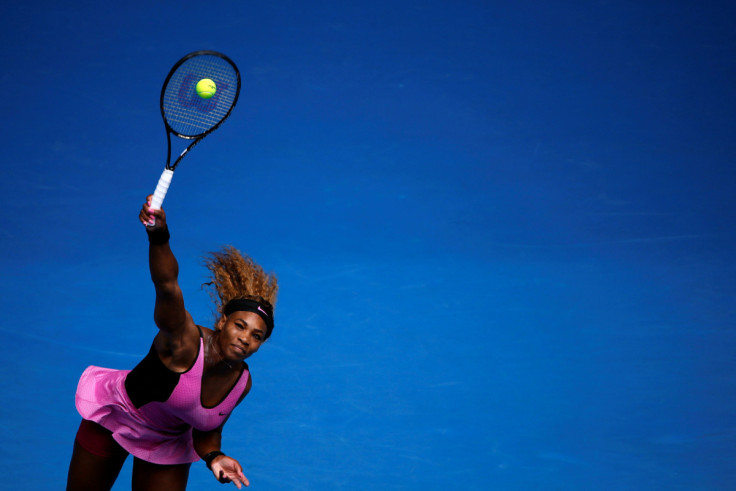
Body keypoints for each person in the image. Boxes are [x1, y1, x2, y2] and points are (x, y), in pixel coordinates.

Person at [66, 197, 278, 490]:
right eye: (240, 326)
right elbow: (167, 285)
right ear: (222, 321)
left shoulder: (241, 383)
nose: (245, 338)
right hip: (115, 420)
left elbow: (207, 429)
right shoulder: (183, 341)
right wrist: (159, 236)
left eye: (256, 336)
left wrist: (215, 456)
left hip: (166, 443)